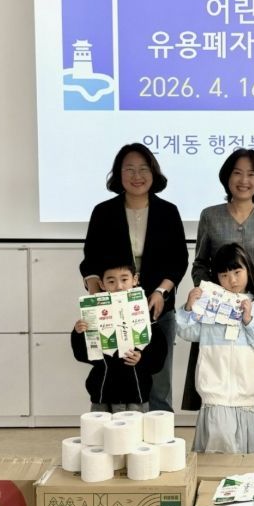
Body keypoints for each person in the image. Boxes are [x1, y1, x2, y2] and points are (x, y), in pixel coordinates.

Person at [80, 142, 188, 412]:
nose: (136, 176)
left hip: (157, 309)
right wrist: (94, 289)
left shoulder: (168, 211)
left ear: (153, 173)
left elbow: (178, 260)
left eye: (143, 169)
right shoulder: (103, 211)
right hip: (113, 309)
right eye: (129, 169)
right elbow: (90, 258)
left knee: (159, 379)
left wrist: (161, 292)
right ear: (118, 174)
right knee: (116, 375)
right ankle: (117, 431)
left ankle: (160, 434)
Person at [182, 147, 254, 417]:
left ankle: (252, 434)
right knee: (215, 378)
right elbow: (200, 263)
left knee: (253, 378)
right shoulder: (210, 215)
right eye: (237, 173)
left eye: (251, 174)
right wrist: (208, 294)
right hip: (216, 309)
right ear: (227, 177)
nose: (244, 180)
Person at [177, 243, 254, 453]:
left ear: (248, 270)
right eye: (224, 275)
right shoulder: (210, 305)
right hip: (215, 394)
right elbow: (187, 331)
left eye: (237, 272)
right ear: (216, 278)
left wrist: (249, 320)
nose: (232, 280)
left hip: (248, 396)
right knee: (217, 451)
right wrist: (188, 307)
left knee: (245, 455)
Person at [71, 262, 168, 413]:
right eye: (111, 281)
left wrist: (142, 358)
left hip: (136, 394)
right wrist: (78, 333)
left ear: (135, 280)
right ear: (101, 284)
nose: (119, 286)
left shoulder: (143, 313)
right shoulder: (94, 314)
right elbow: (82, 355)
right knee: (99, 428)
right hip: (103, 394)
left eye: (124, 279)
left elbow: (159, 354)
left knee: (135, 427)